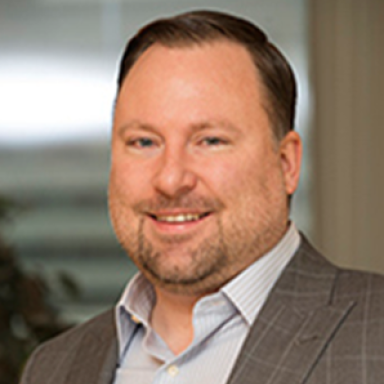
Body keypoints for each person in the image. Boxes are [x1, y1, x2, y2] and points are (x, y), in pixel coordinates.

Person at [20, 10, 384, 384]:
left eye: (210, 141)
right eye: (144, 142)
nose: (171, 179)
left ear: (286, 163)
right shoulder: (52, 367)